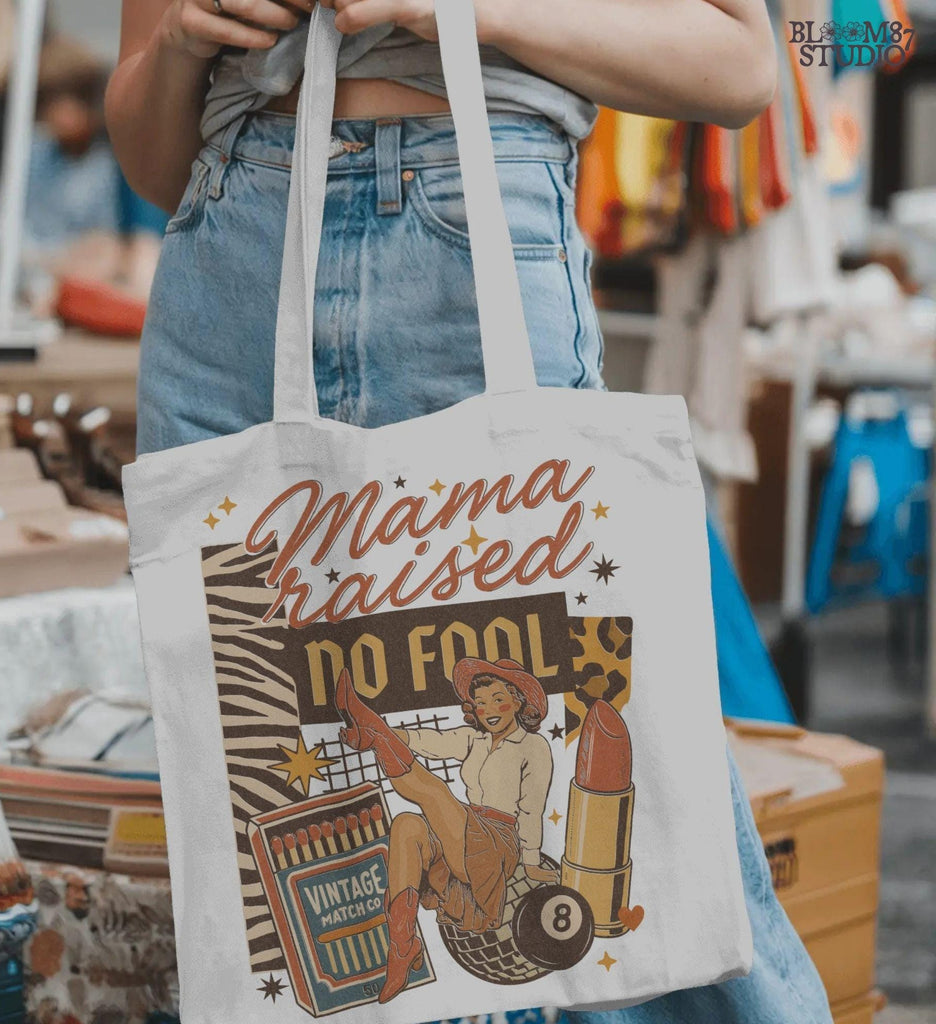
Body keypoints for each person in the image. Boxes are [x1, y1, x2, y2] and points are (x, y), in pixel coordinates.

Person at [107, 2, 833, 1022]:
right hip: (233, 247)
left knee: (614, 719)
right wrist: (186, 38)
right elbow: (149, 160)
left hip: (473, 217)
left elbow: (739, 66)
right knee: (260, 753)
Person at [335, 659, 556, 1002]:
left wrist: (530, 861)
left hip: (498, 842)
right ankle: (403, 950)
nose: (489, 710)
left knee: (435, 794)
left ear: (518, 701)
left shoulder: (534, 747)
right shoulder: (474, 739)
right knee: (406, 825)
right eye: (480, 703)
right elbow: (429, 741)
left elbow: (531, 808)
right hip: (463, 826)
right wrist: (393, 736)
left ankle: (375, 732)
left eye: (498, 699)